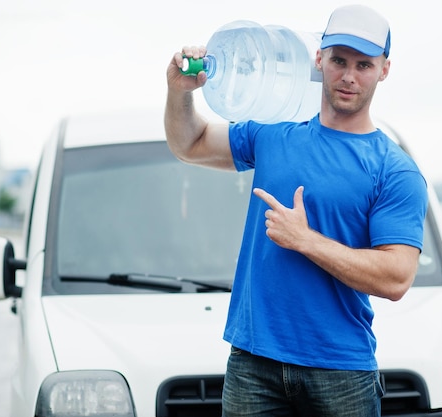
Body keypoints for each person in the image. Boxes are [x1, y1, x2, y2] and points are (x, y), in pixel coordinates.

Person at [164, 4, 428, 416]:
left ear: (384, 70)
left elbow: (397, 277)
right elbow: (189, 144)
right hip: (253, 363)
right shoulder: (273, 133)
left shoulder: (394, 170)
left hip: (341, 372)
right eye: (339, 60)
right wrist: (179, 91)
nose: (348, 76)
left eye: (364, 65)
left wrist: (307, 241)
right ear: (319, 58)